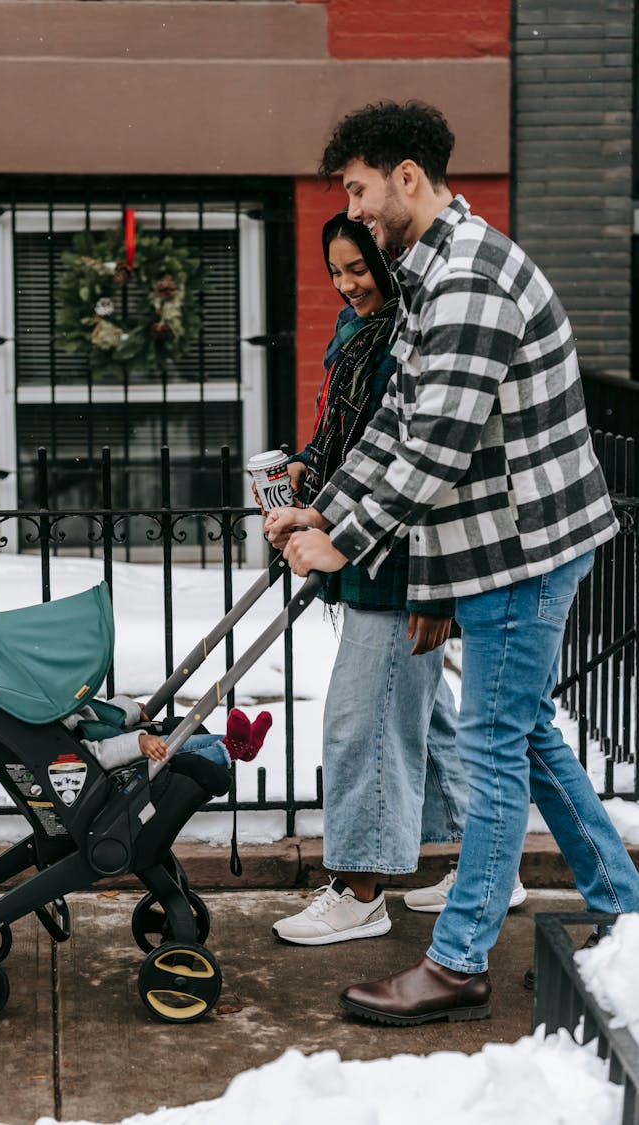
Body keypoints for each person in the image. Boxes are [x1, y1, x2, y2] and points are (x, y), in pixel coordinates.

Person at [266, 99, 639, 1024]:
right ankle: (627, 906)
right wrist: (327, 504)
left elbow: (434, 447)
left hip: (520, 548)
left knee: (493, 745)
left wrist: (341, 541)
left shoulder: (469, 280)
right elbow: (395, 421)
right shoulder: (431, 270)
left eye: (358, 192)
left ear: (406, 178)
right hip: (504, 541)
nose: (351, 213)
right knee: (529, 734)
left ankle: (459, 958)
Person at [271, 212, 477, 948]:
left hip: (393, 554)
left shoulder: (410, 337)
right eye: (336, 270)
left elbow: (417, 467)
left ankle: (361, 888)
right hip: (357, 534)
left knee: (364, 720)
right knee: (425, 715)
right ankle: (487, 864)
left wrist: (432, 582)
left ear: (390, 268)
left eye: (359, 268)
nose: (347, 283)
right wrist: (307, 471)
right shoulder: (357, 331)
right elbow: (345, 432)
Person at [66, 696, 272, 771]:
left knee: (172, 741)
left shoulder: (55, 708)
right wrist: (137, 743)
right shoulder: (48, 731)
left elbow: (94, 713)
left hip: (122, 745)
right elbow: (91, 756)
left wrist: (129, 708)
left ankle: (243, 746)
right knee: (173, 760)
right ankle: (229, 750)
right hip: (115, 767)